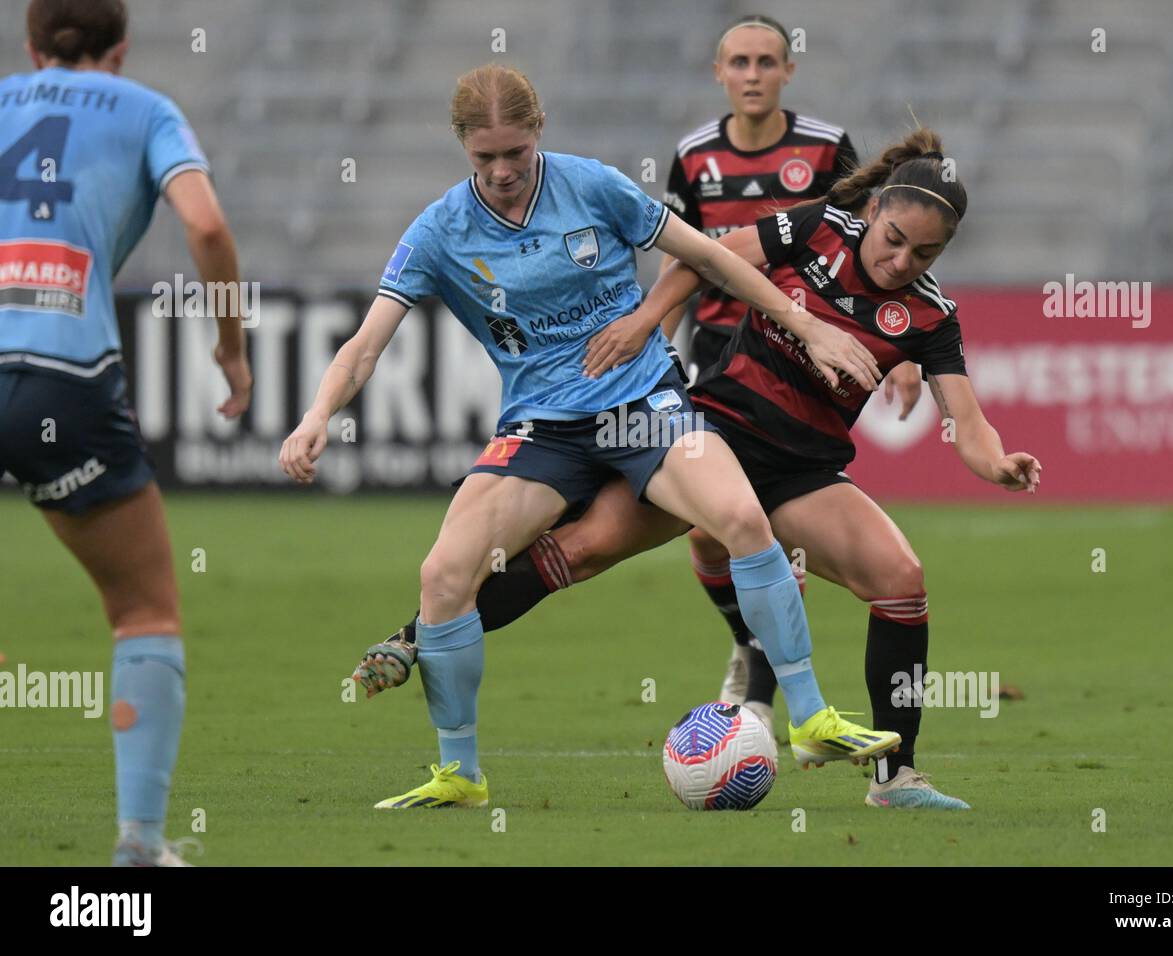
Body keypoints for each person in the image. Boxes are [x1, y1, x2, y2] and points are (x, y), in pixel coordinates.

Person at [354, 126, 1042, 810]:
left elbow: (970, 428)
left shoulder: (930, 314)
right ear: (873, 212)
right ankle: (417, 634)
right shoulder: (817, 227)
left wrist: (1000, 464)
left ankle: (897, 777)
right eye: (894, 239)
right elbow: (707, 256)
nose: (900, 261)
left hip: (802, 473)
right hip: (708, 435)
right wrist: (651, 318)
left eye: (926, 251)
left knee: (903, 581)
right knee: (583, 548)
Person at [280, 63, 903, 811]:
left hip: (643, 404)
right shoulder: (439, 230)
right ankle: (460, 774)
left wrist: (808, 327)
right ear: (462, 148)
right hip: (542, 428)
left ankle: (810, 717)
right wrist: (318, 415)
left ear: (539, 131)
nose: (505, 171)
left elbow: (707, 257)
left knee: (739, 517)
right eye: (486, 158)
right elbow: (366, 345)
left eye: (516, 152)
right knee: (445, 575)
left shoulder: (592, 186)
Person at [0, 0, 251, 864]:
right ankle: (139, 848)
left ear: (32, 48)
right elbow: (208, 224)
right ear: (120, 49)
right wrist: (230, 350)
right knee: (143, 609)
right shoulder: (146, 108)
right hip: (65, 379)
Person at [660, 13, 923, 723]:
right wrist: (653, 335)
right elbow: (682, 252)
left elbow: (869, 246)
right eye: (739, 62)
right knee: (706, 528)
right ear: (719, 72)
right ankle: (753, 644)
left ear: (788, 71)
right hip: (717, 351)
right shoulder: (693, 155)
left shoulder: (825, 148)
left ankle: (767, 688)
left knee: (766, 524)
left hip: (796, 349)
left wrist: (898, 356)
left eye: (766, 62)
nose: (752, 75)